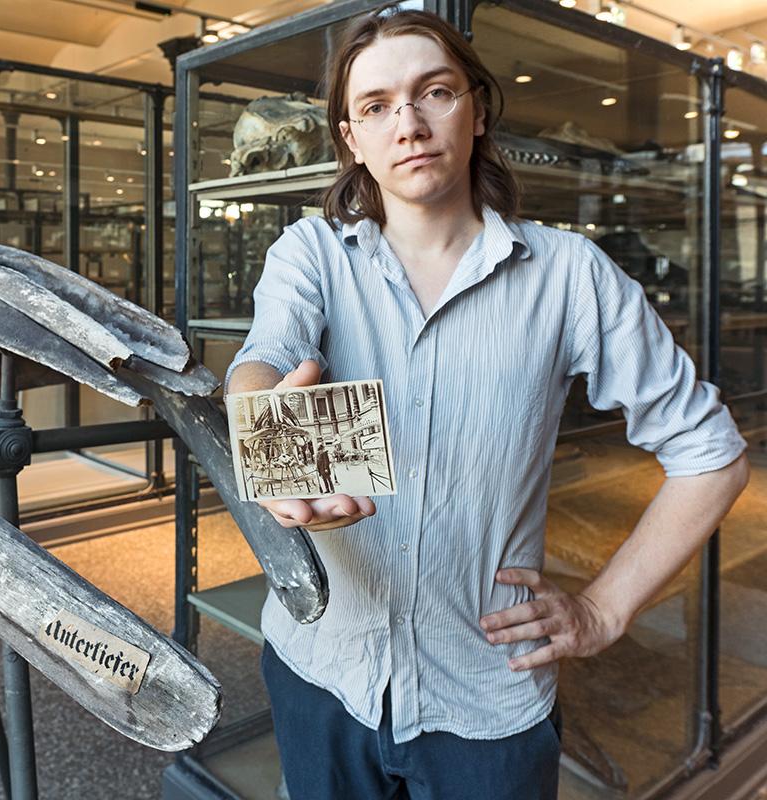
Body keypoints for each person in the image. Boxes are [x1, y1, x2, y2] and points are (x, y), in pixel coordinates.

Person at [224, 8, 749, 800]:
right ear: (351, 139)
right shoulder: (314, 253)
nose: (408, 123)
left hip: (487, 698)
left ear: (475, 108)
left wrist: (604, 611)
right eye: (376, 106)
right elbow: (261, 359)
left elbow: (711, 455)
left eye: (433, 92)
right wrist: (265, 428)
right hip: (322, 670)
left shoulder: (569, 273)